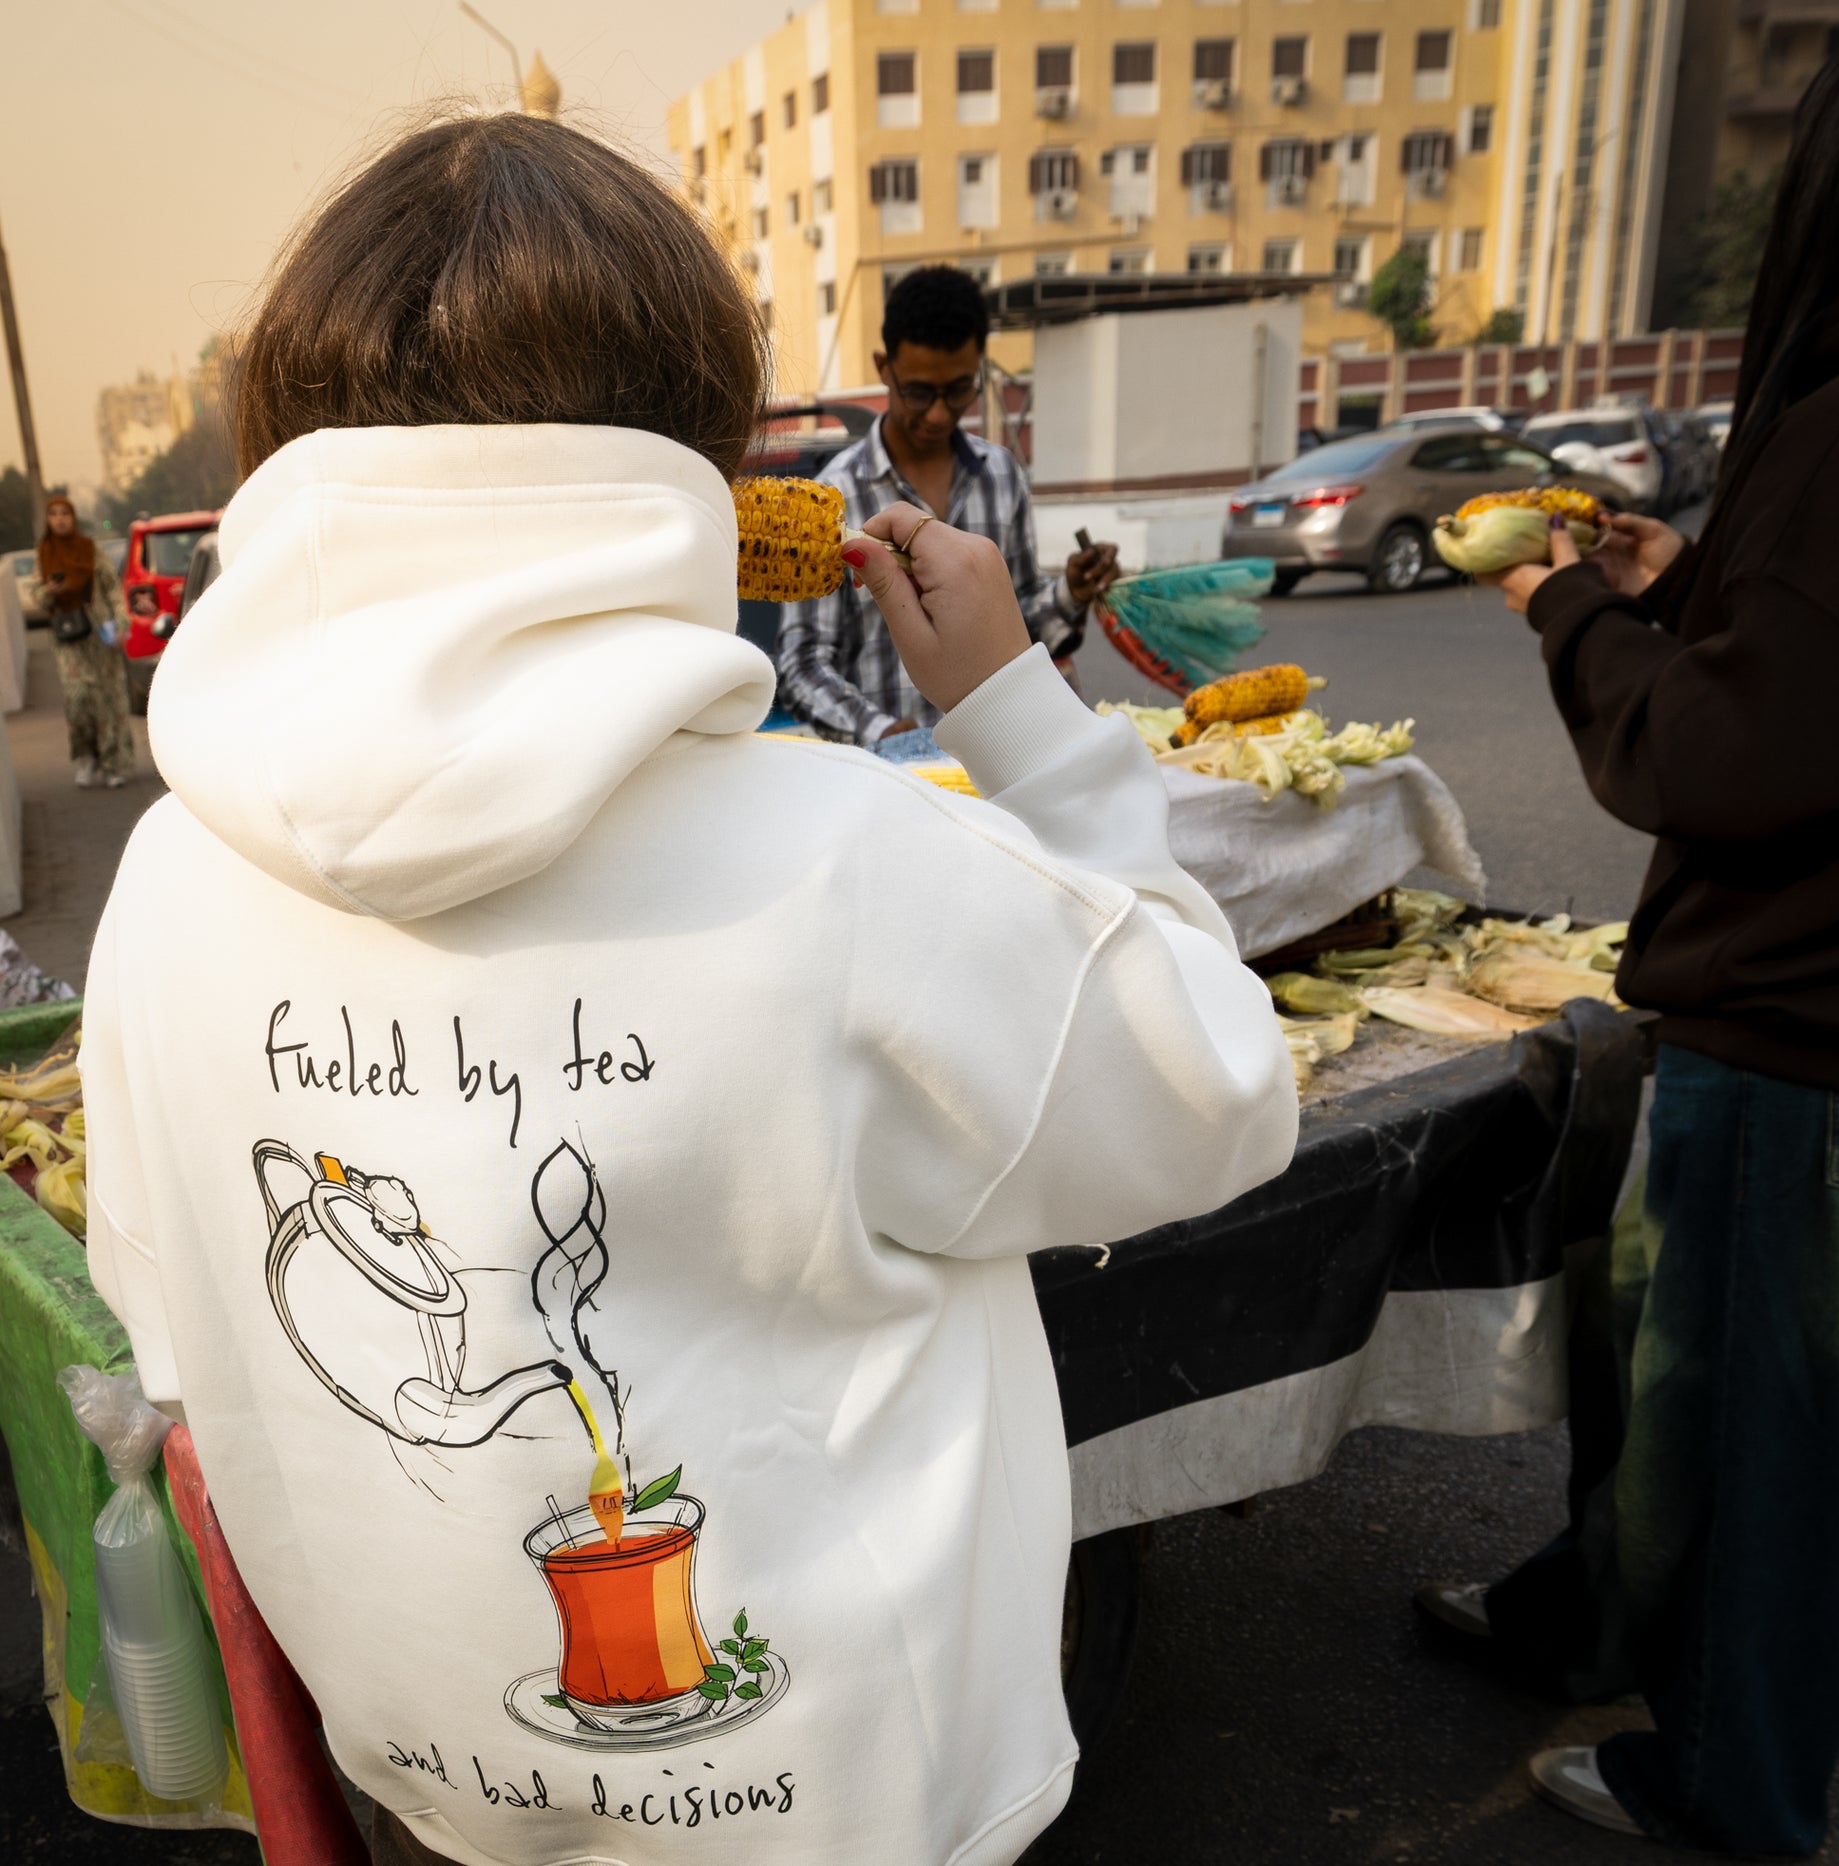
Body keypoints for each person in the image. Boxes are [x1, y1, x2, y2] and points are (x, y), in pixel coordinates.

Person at [80, 115, 1298, 1866]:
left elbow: (180, 1336)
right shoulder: (852, 863)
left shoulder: (168, 883)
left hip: (436, 1797)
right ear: (691, 455)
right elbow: (1218, 1087)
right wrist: (1026, 718)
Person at [1419, 5, 1839, 1852]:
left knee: (1748, 1450)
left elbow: (1721, 751)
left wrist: (1568, 609)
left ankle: (1734, 1789)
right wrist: (1690, 576)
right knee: (1653, 1364)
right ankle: (1579, 1619)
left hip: (1804, 1033)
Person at [776, 265, 1120, 755]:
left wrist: (1069, 592)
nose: (939, 413)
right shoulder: (836, 494)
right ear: (883, 368)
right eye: (919, 392)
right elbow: (803, 662)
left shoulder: (1001, 475)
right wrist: (882, 732)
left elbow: (1017, 634)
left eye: (958, 390)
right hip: (892, 782)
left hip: (1000, 759)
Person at [35, 494, 133, 789]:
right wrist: (50, 591)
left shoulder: (90, 549)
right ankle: (87, 757)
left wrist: (121, 624)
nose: (61, 518)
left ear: (74, 517)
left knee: (108, 699)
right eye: (54, 514)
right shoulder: (45, 552)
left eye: (66, 513)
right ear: (48, 520)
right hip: (67, 638)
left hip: (99, 632)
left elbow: (111, 587)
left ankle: (113, 763)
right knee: (77, 698)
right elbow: (38, 598)